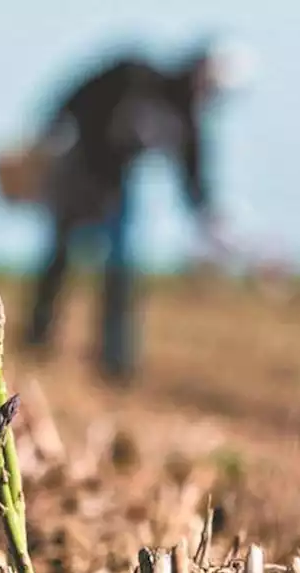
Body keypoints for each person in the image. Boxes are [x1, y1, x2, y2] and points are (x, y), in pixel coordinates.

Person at [18, 39, 251, 385]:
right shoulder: (134, 74)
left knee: (123, 266)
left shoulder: (186, 122)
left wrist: (213, 222)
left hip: (118, 187)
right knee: (61, 256)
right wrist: (47, 137)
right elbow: (75, 96)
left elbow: (193, 178)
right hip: (80, 172)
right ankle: (37, 338)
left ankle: (116, 362)